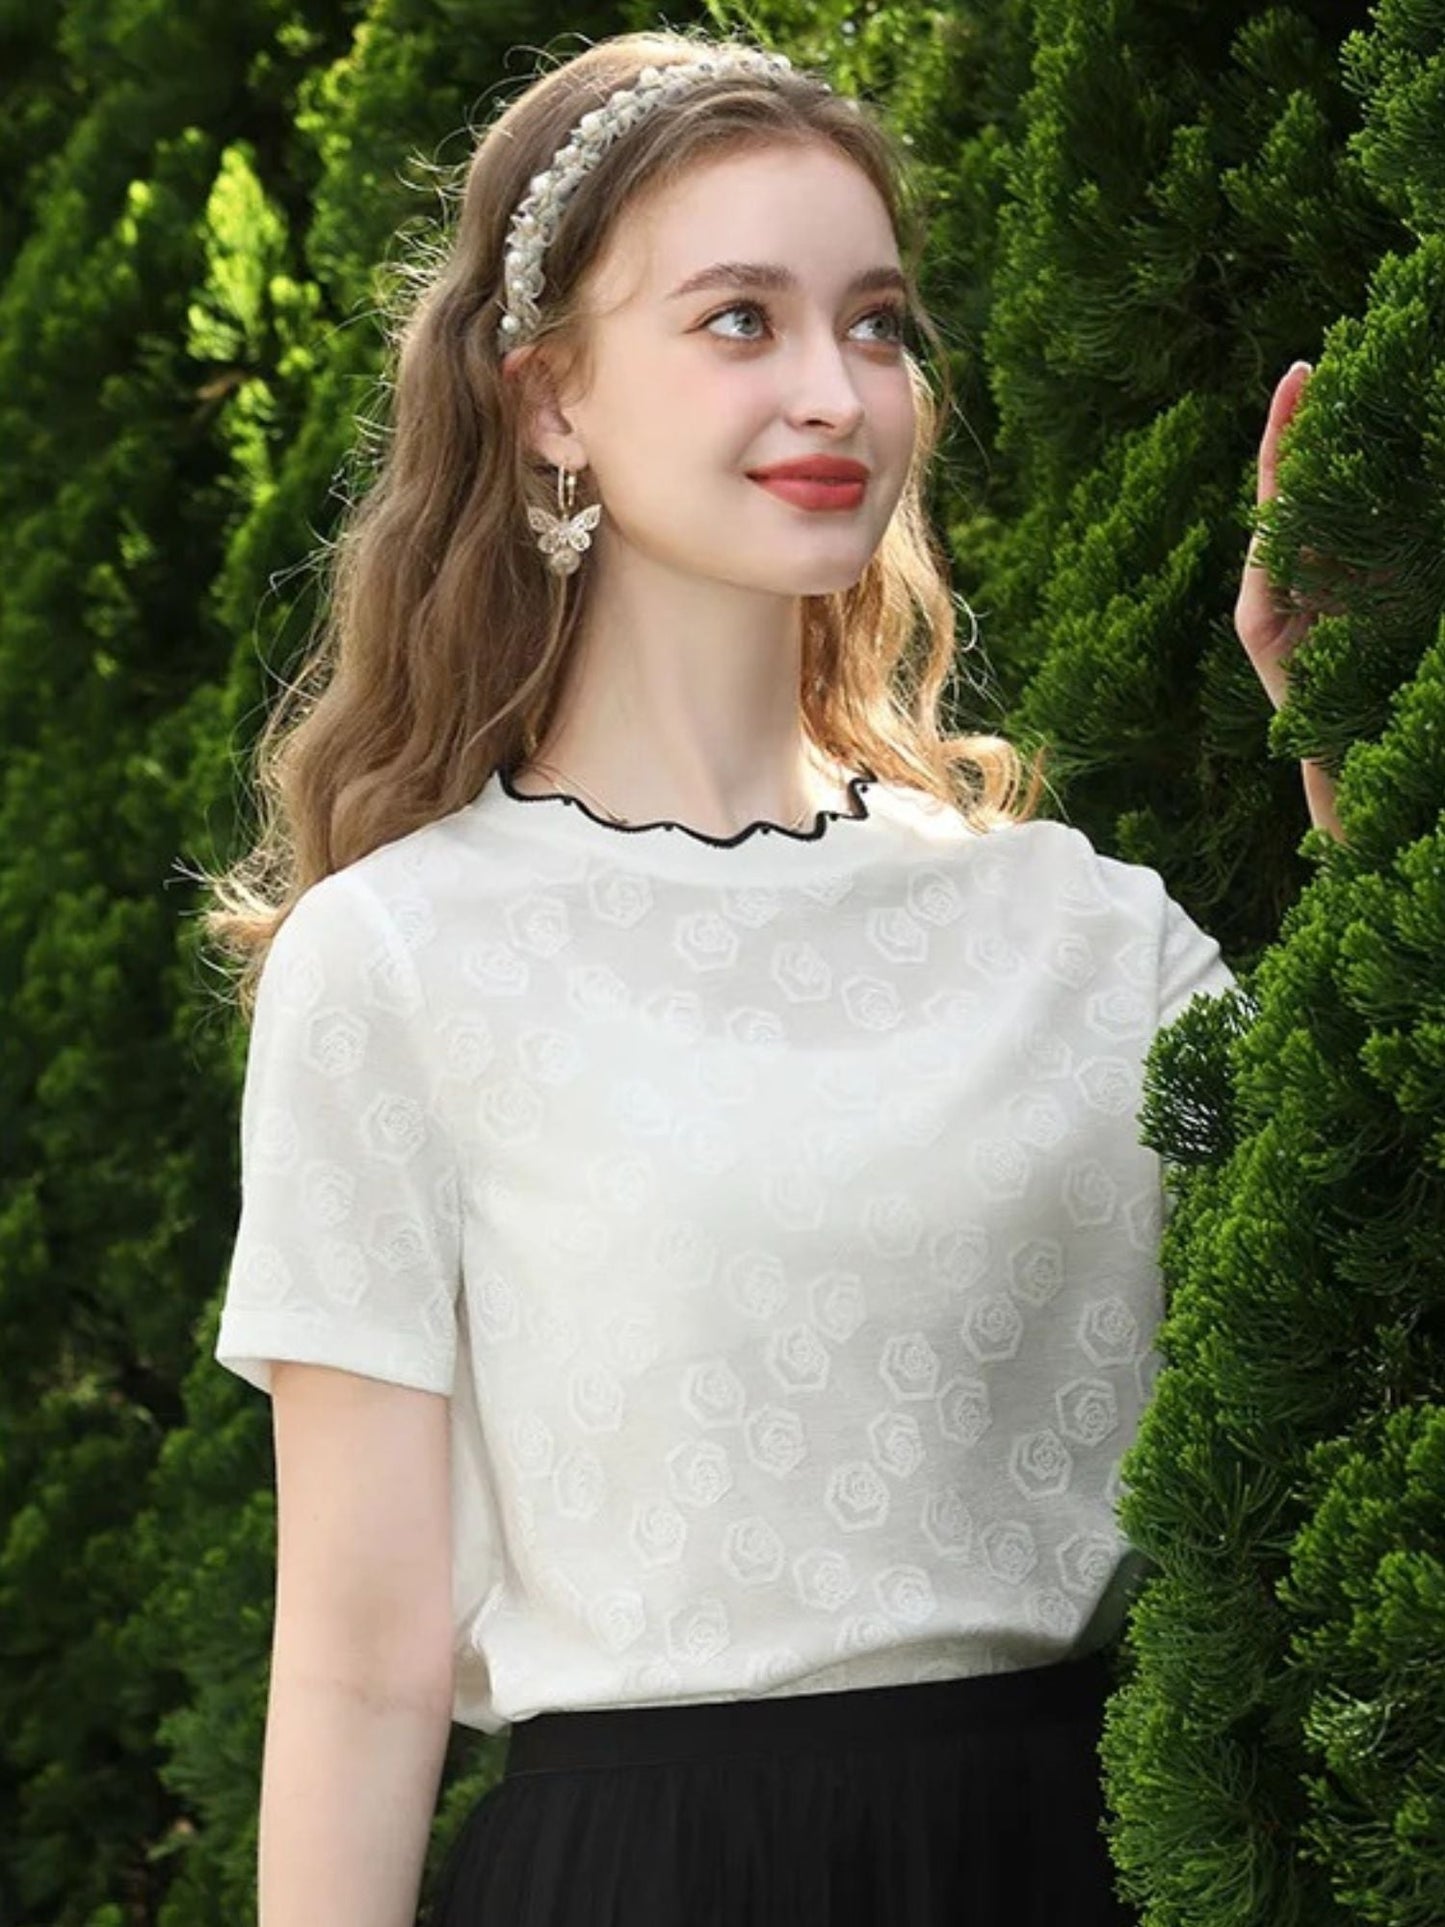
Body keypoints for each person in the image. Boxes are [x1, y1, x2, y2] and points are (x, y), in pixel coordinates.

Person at [202, 25, 1339, 1927]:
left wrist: (1350, 770)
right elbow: (355, 1668)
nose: (836, 389)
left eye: (877, 323)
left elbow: (1364, 1275)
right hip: (640, 1878)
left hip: (1087, 1866)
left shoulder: (1085, 932)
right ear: (547, 396)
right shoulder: (396, 961)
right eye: (740, 318)